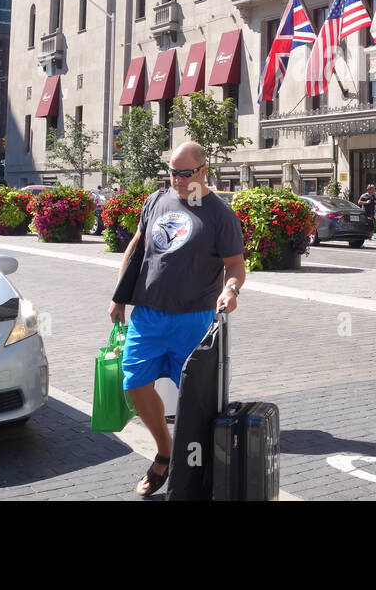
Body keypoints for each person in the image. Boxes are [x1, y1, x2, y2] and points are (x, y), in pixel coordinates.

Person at [108, 141, 246, 498]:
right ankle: (165, 450)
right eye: (172, 171)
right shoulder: (156, 201)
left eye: (185, 173)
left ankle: (195, 466)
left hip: (195, 318)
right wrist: (118, 297)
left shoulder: (219, 214)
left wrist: (231, 290)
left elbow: (235, 265)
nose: (177, 179)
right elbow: (137, 248)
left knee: (197, 397)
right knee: (134, 384)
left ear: (203, 171)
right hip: (148, 315)